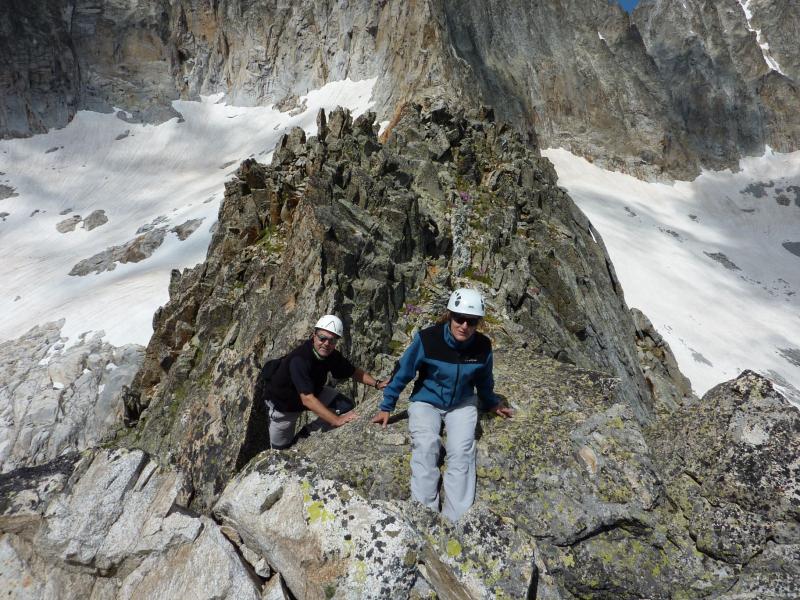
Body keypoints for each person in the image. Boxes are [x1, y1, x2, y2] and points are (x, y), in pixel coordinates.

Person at [372, 288, 513, 521]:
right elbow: (403, 372)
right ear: (450, 315)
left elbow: (484, 380)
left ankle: (455, 520)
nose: (464, 326)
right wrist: (387, 406)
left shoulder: (482, 346)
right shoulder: (428, 340)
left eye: (472, 321)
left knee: (462, 452)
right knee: (426, 446)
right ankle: (425, 514)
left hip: (463, 403)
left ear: (478, 323)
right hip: (426, 401)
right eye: (459, 318)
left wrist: (491, 403)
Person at [265, 314, 388, 449]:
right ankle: (289, 446)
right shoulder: (300, 360)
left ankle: (304, 436)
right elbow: (307, 399)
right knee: (280, 452)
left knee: (344, 406)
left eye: (332, 340)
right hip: (284, 406)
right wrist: (336, 420)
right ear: (314, 336)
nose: (326, 344)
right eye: (322, 338)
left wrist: (377, 383)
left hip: (312, 392)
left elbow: (353, 372)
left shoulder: (331, 355)